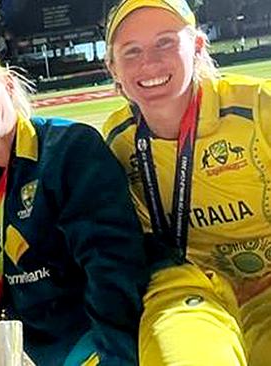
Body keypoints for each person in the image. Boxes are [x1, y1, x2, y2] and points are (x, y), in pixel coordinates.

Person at [0, 43, 148, 365]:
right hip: (31, 340)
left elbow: (111, 264)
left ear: (8, 85)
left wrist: (115, 354)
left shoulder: (70, 146)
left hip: (94, 327)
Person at [103, 0, 271, 364]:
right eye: (131, 51)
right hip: (185, 287)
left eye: (165, 42)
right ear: (112, 68)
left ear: (196, 46)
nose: (149, 63)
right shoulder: (117, 139)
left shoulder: (258, 106)